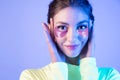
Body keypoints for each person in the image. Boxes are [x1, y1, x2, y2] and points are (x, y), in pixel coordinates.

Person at [20, 0, 120, 80]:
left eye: (81, 26)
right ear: (50, 29)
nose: (72, 38)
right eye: (62, 27)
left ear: (91, 27)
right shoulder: (31, 77)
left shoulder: (110, 76)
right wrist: (58, 67)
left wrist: (88, 65)